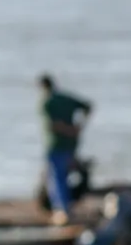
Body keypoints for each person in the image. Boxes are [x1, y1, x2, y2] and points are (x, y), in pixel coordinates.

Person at [38, 75, 92, 223]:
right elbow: (88, 106)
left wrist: (68, 130)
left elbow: (53, 126)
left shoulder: (47, 103)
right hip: (71, 145)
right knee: (65, 177)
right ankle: (67, 208)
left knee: (56, 179)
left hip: (56, 145)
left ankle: (63, 211)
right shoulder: (66, 99)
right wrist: (79, 127)